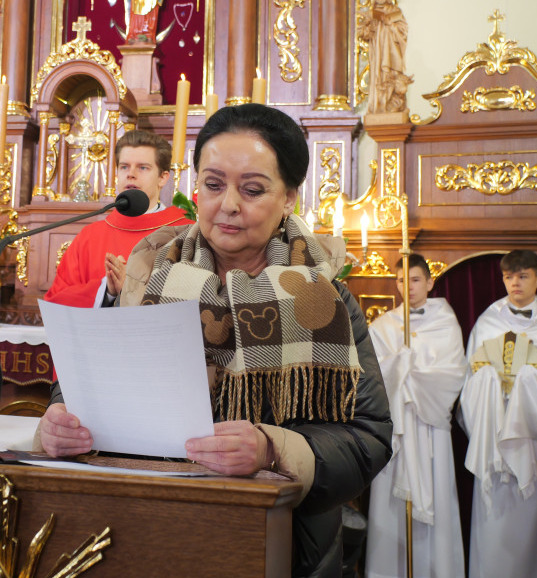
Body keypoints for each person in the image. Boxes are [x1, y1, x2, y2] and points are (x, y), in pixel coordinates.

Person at [39, 104, 393, 576]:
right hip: (138, 529)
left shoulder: (324, 300)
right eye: (212, 184)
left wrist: (273, 449)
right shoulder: (148, 279)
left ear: (288, 197)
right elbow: (90, 380)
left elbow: (368, 437)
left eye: (251, 189)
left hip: (278, 542)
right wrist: (60, 416)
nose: (227, 204)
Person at [459, 249, 537, 578]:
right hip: (493, 438)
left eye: (522, 276)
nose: (514, 283)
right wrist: (490, 387)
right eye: (509, 277)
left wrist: (529, 384)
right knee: (497, 534)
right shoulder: (488, 320)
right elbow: (469, 378)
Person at [365, 254, 467, 578]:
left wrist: (412, 372)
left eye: (415, 280)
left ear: (430, 282)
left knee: (435, 502)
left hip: (429, 425)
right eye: (400, 280)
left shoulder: (446, 321)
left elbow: (453, 374)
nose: (406, 287)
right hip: (397, 428)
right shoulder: (382, 326)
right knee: (392, 509)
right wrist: (399, 366)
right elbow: (372, 376)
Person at [44, 130, 190, 307]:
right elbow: (56, 300)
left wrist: (131, 289)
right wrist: (107, 290)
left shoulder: (186, 232)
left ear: (162, 178)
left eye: (143, 167)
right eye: (124, 167)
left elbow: (195, 300)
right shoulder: (91, 236)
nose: (131, 174)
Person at [358, 0, 412, 115]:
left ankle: (389, 104)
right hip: (377, 54)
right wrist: (368, 29)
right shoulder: (372, 13)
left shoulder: (395, 11)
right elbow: (363, 32)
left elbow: (403, 30)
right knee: (378, 79)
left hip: (390, 51)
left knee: (390, 78)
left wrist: (391, 26)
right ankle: (378, 106)